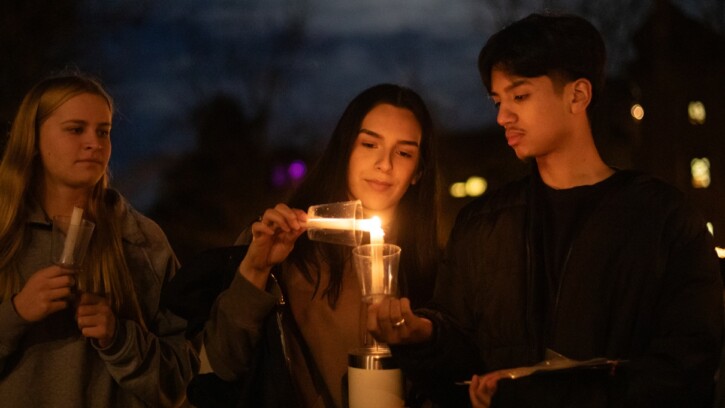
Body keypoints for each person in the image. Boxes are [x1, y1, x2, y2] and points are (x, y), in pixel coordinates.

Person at [368, 13, 724, 408]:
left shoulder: (662, 219)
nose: (503, 116)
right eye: (498, 100)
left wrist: (538, 392)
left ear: (577, 95)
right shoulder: (482, 224)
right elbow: (459, 358)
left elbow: (686, 369)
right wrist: (424, 335)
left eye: (519, 96)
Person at [178, 83, 441, 408]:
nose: (384, 164)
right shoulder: (282, 244)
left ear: (419, 171)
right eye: (370, 144)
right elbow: (220, 366)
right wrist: (256, 269)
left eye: (403, 152)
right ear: (346, 149)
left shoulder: (431, 265)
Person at [0, 72, 199, 407]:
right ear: (32, 139)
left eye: (103, 131)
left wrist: (119, 339)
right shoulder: (7, 232)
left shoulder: (140, 240)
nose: (94, 143)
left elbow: (182, 379)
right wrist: (16, 312)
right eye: (76, 129)